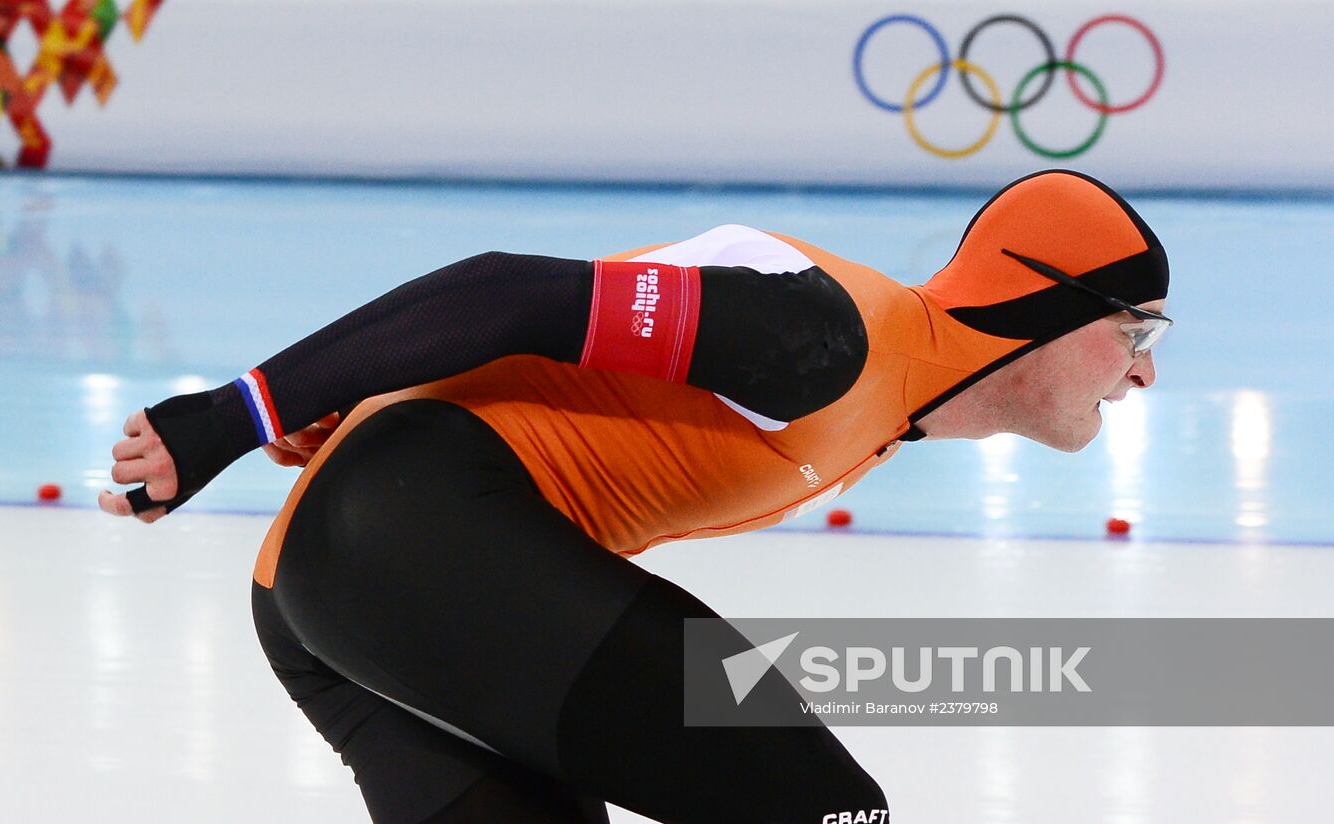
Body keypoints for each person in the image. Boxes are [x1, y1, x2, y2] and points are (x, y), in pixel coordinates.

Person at [99, 169, 1170, 823]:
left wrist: (361, 405)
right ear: (1046, 304)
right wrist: (229, 416)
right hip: (404, 531)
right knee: (821, 808)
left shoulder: (889, 401)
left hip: (320, 585)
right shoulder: (834, 341)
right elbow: (505, 290)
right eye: (1136, 331)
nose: (1142, 371)